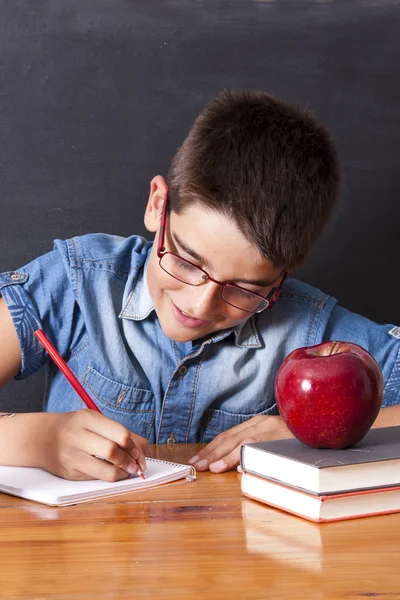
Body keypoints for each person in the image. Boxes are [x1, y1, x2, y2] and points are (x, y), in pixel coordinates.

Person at [0, 90, 399, 482]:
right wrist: (39, 441)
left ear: (280, 279)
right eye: (187, 261)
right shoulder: (79, 283)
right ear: (158, 206)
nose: (200, 303)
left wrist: (305, 434)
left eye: (244, 289)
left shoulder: (311, 330)